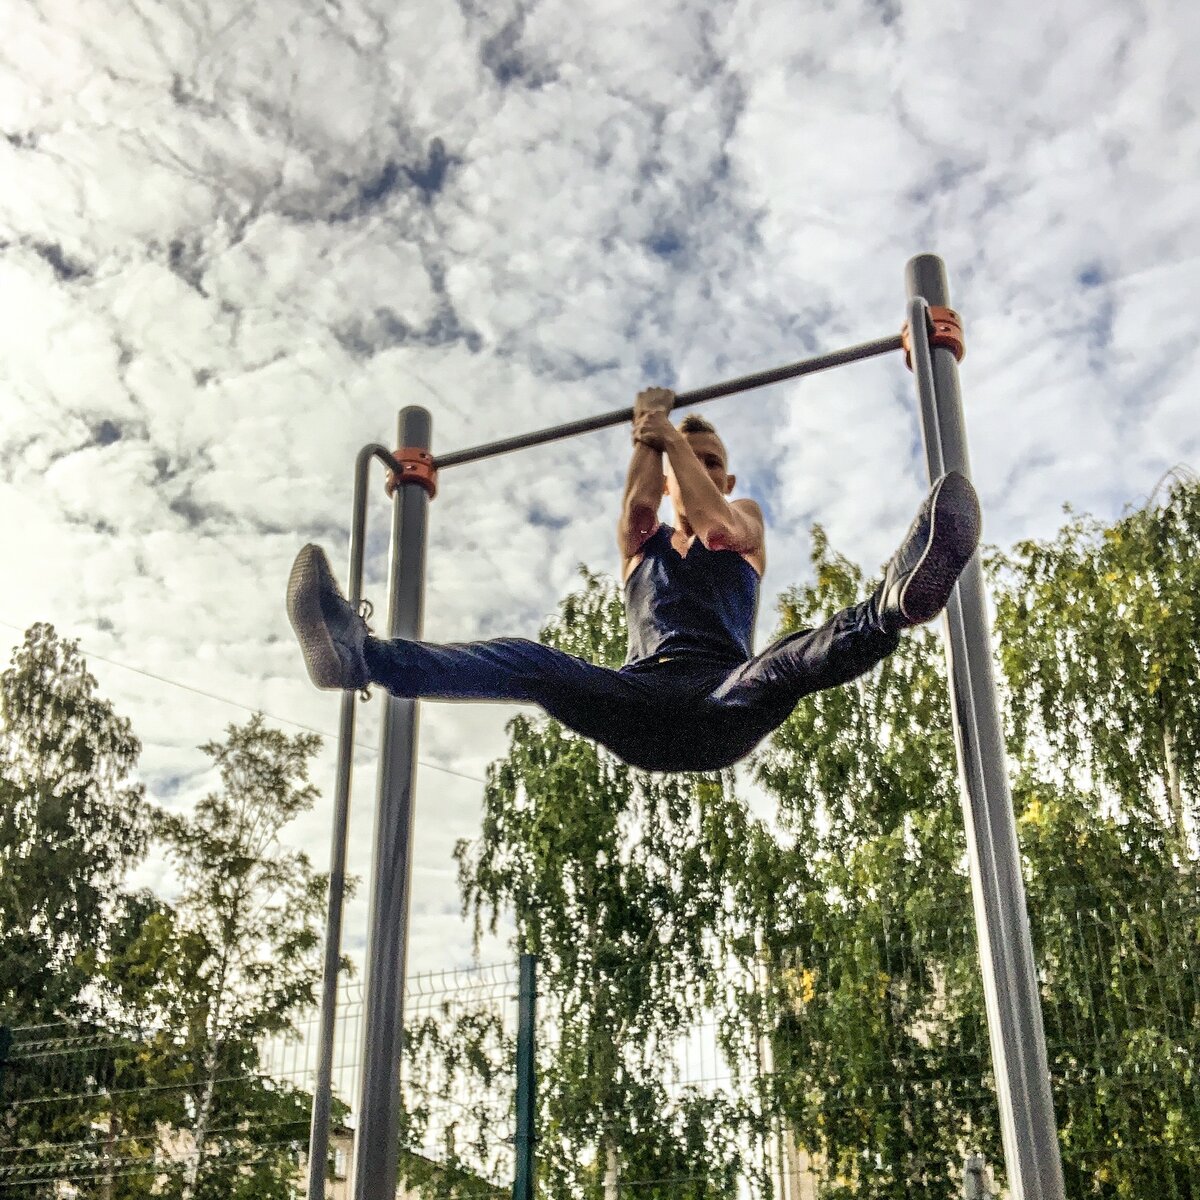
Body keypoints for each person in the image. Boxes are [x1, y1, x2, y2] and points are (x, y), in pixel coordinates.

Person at [286, 387, 980, 773]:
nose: (701, 471)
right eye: (693, 461)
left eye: (713, 462)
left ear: (727, 476)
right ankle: (360, 657)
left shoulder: (744, 513)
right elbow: (640, 508)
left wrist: (672, 436)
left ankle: (895, 601)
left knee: (784, 664)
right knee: (532, 664)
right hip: (638, 700)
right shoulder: (640, 541)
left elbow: (714, 530)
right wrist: (646, 434)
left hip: (723, 698)